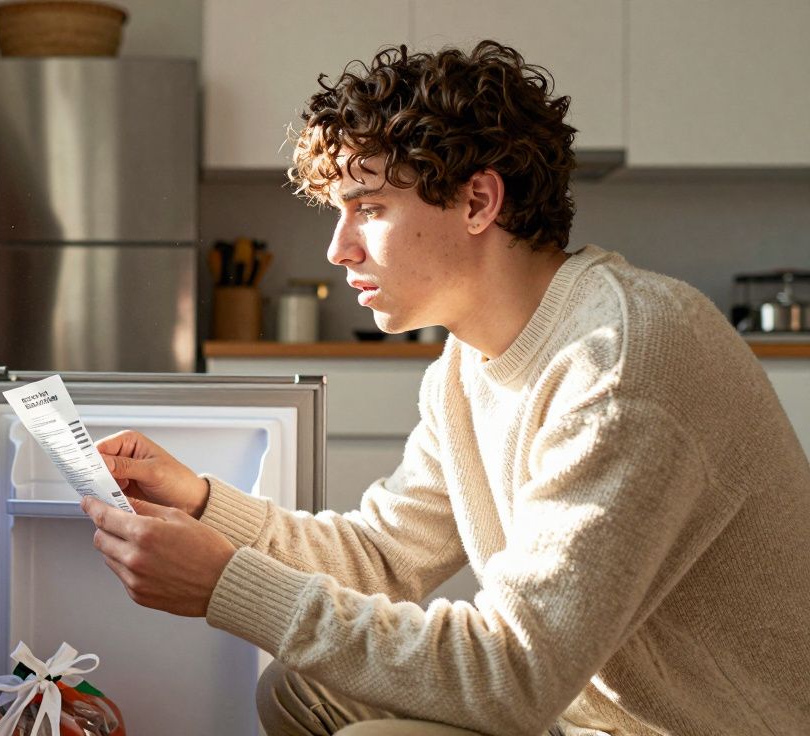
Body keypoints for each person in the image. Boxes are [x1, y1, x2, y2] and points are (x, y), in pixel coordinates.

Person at [79, 41, 810, 736]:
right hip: (573, 712)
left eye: (367, 208)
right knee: (299, 688)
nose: (338, 249)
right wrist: (205, 506)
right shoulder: (465, 364)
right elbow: (383, 558)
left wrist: (228, 585)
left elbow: (514, 673)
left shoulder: (620, 362)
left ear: (477, 202)